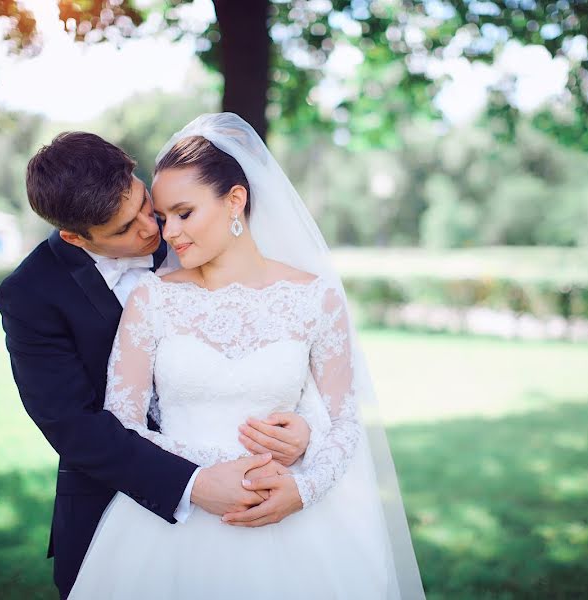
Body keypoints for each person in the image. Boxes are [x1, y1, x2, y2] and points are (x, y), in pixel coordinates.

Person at [67, 113, 425, 599]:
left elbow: (345, 420)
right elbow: (124, 423)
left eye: (184, 213)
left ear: (235, 199)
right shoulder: (151, 299)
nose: (168, 232)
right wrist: (209, 475)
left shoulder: (314, 297)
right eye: (164, 215)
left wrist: (304, 487)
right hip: (175, 527)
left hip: (297, 523)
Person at [0, 131, 323, 599]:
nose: (154, 231)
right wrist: (193, 484)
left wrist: (305, 427)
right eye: (123, 230)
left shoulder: (194, 226)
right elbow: (72, 426)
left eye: (144, 204)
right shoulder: (30, 296)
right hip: (119, 507)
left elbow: (286, 342)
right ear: (74, 237)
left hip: (265, 499)